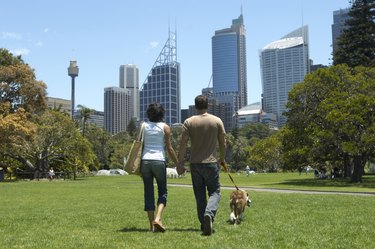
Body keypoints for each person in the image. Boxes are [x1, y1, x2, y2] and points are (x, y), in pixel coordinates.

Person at [177, 95, 226, 236]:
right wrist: (222, 158)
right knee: (215, 192)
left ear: (195, 106)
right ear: (207, 105)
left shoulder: (188, 122)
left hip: (195, 164)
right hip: (211, 163)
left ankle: (203, 223)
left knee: (199, 195)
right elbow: (223, 143)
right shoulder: (217, 121)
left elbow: (183, 144)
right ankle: (209, 215)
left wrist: (180, 162)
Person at [140, 102, 179, 233]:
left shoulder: (143, 126)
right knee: (162, 192)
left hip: (145, 161)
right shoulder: (165, 127)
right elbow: (169, 148)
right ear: (162, 114)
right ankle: (158, 218)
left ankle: (151, 226)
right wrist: (178, 164)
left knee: (148, 192)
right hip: (159, 161)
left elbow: (137, 143)